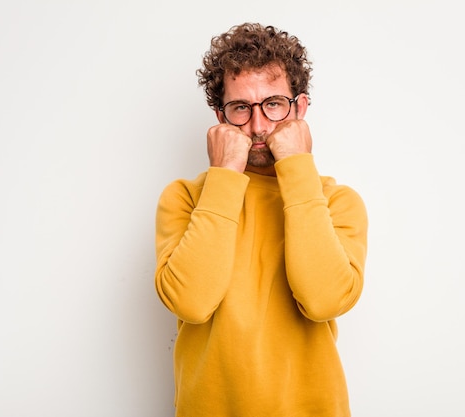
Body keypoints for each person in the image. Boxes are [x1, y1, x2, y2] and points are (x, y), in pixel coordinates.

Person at [154, 22, 368, 416]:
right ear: (220, 116)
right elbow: (192, 303)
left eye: (273, 104)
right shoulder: (184, 198)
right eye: (240, 108)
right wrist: (225, 175)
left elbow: (323, 301)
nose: (257, 126)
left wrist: (297, 167)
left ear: (299, 108)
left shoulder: (337, 202)